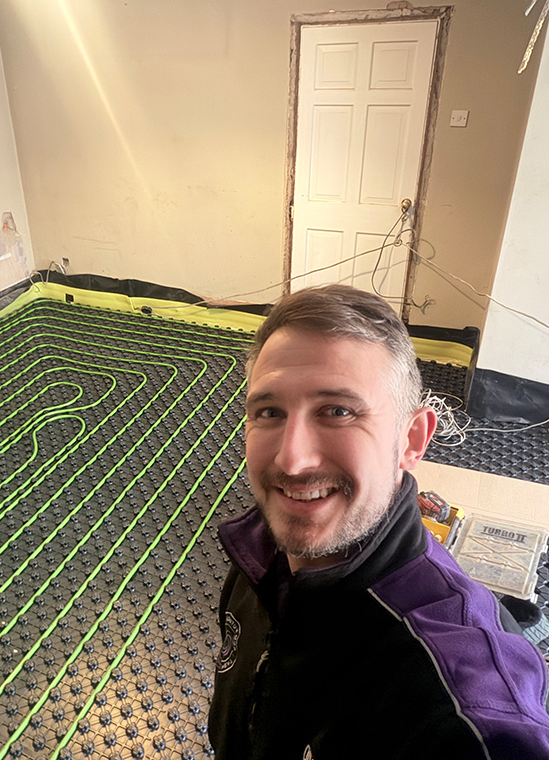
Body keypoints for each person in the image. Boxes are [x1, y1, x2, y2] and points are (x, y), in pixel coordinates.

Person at [208, 284, 549, 759]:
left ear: (412, 440)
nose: (292, 460)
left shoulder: (459, 705)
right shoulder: (260, 549)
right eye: (269, 412)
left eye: (338, 411)